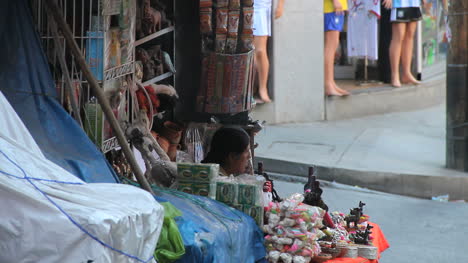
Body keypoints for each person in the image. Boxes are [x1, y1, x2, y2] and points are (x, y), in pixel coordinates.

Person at [383, 0, 423, 87]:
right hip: (399, 3)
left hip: (414, 3)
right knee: (399, 35)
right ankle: (395, 75)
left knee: (410, 34)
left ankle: (406, 73)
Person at [253, 0, 285, 103]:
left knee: (260, 51)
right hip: (244, 7)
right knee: (249, 52)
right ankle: (250, 90)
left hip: (261, 7)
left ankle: (262, 88)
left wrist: (280, 5)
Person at [324, 0, 350, 96]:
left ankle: (331, 82)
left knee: (333, 44)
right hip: (331, 8)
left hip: (336, 7)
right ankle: (328, 85)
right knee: (331, 45)